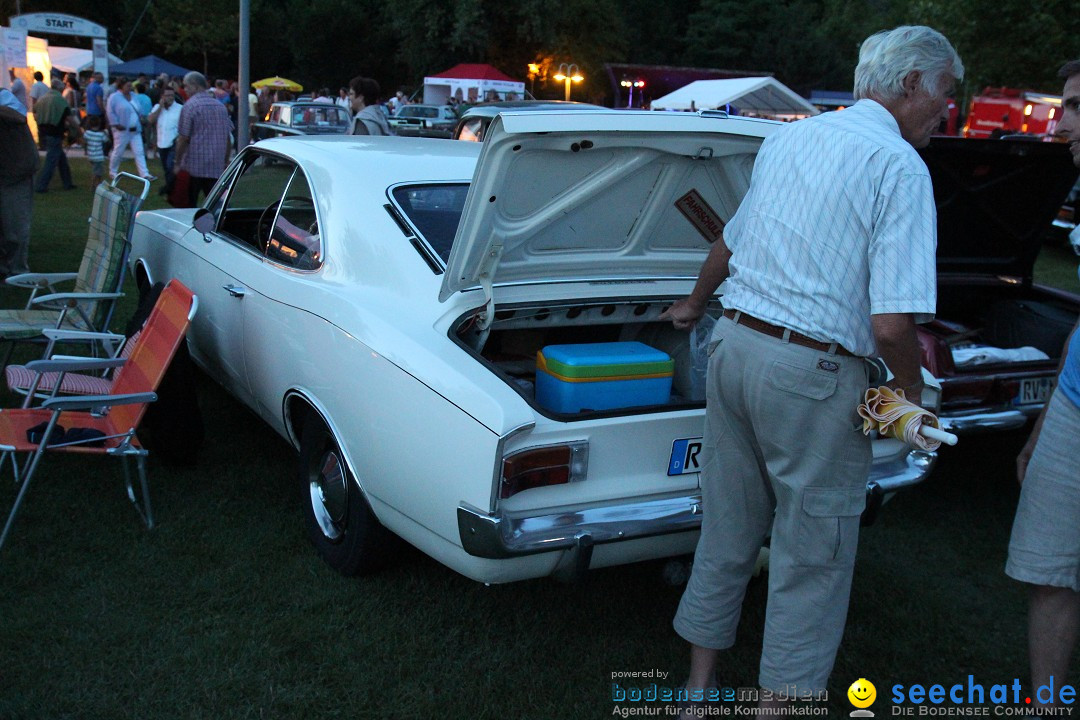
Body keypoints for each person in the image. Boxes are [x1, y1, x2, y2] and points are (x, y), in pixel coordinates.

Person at [659, 25, 961, 716]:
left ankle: (697, 692)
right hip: (814, 374)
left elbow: (728, 243)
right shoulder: (900, 167)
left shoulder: (791, 137)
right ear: (912, 83)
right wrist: (910, 401)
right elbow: (892, 323)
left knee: (729, 528)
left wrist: (693, 305)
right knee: (812, 555)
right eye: (947, 91)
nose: (949, 108)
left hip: (731, 349)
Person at [1006, 59, 1080, 715]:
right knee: (1049, 570)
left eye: (1079, 106)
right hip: (1073, 411)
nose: (1066, 122)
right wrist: (1044, 420)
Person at [174, 71, 232, 206]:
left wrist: (177, 162)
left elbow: (183, 138)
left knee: (188, 206)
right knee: (216, 205)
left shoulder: (190, 106)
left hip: (193, 166)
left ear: (195, 86)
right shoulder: (220, 107)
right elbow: (228, 137)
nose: (185, 90)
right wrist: (225, 160)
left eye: (186, 86)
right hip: (215, 166)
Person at [0, 89, 37, 277]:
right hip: (5, 172)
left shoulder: (4, 96)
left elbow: (19, 116)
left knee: (15, 227)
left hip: (15, 173)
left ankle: (18, 272)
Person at [33, 80, 80, 193]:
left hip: (45, 132)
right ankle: (41, 186)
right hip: (55, 133)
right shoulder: (60, 100)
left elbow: (35, 114)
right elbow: (69, 118)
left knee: (61, 159)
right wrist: (79, 130)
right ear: (60, 88)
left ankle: (67, 183)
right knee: (51, 161)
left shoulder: (43, 98)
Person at [106, 77, 154, 181]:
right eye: (128, 86)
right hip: (122, 130)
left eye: (130, 86)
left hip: (135, 129)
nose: (130, 88)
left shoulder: (133, 96)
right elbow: (110, 112)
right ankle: (113, 171)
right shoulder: (114, 97)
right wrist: (115, 124)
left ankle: (144, 174)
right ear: (121, 86)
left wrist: (140, 117)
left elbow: (139, 109)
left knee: (139, 151)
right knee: (118, 151)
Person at [149, 87, 182, 191]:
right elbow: (150, 120)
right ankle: (170, 187)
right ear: (162, 96)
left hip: (174, 142)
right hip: (161, 142)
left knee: (170, 166)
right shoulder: (157, 107)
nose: (170, 97)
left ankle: (171, 188)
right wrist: (160, 107)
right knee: (166, 167)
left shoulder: (180, 108)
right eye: (167, 95)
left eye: (172, 95)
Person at [82, 115, 108, 189]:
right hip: (98, 156)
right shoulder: (100, 134)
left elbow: (84, 142)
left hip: (91, 156)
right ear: (99, 124)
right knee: (97, 172)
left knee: (97, 171)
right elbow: (107, 141)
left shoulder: (87, 133)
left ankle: (98, 184)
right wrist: (106, 133)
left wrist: (86, 150)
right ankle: (94, 185)